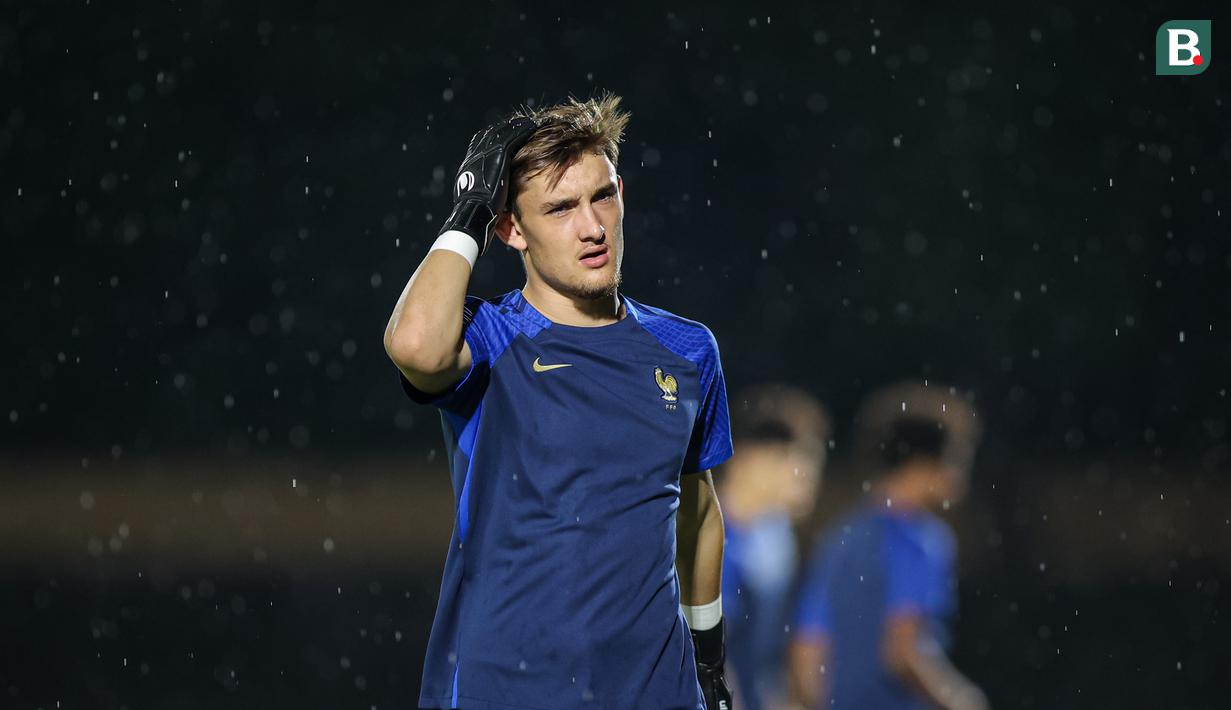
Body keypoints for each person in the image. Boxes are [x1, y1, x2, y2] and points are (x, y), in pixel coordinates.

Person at [383, 93, 735, 710]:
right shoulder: (491, 338)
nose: (592, 227)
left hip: (658, 694)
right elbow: (414, 346)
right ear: (511, 229)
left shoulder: (688, 350)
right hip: (506, 691)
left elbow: (698, 513)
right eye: (560, 208)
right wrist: (468, 210)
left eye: (603, 195)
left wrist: (708, 666)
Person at [788, 381, 988, 710]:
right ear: (923, 465)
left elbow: (807, 647)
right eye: (956, 460)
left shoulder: (840, 535)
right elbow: (902, 653)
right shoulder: (919, 541)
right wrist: (962, 700)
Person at [718, 384, 829, 710]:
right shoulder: (699, 535)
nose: (811, 478)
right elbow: (705, 655)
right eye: (802, 461)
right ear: (753, 457)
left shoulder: (778, 536)